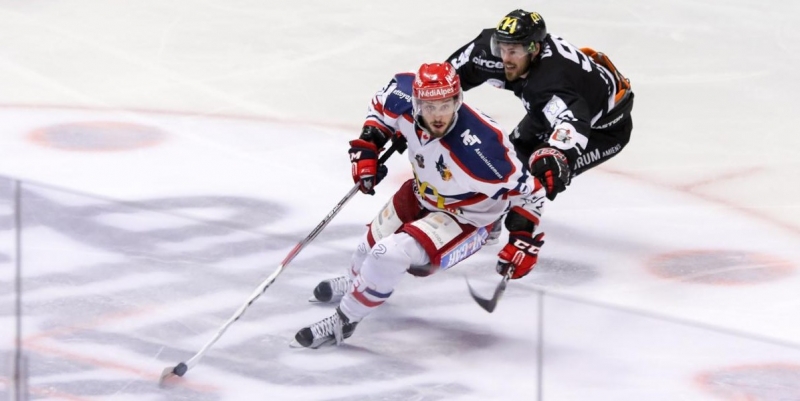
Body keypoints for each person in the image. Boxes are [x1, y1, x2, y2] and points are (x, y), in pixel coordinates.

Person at [292, 62, 548, 348]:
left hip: (466, 216)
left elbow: (531, 192)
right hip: (422, 192)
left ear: (457, 101)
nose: (438, 116)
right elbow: (380, 109)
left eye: (445, 105)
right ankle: (357, 283)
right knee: (367, 248)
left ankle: (344, 321)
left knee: (387, 254)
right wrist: (368, 147)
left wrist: (524, 239)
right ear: (415, 103)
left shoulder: (484, 151)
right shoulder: (402, 93)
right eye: (429, 106)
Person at [446, 9, 634, 242]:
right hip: (559, 106)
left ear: (533, 49)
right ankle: (488, 217)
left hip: (604, 131)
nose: (505, 58)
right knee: (508, 158)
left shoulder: (551, 82)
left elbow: (574, 121)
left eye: (513, 51)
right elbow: (442, 79)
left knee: (541, 172)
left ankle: (514, 235)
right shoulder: (487, 53)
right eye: (501, 48)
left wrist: (557, 153)